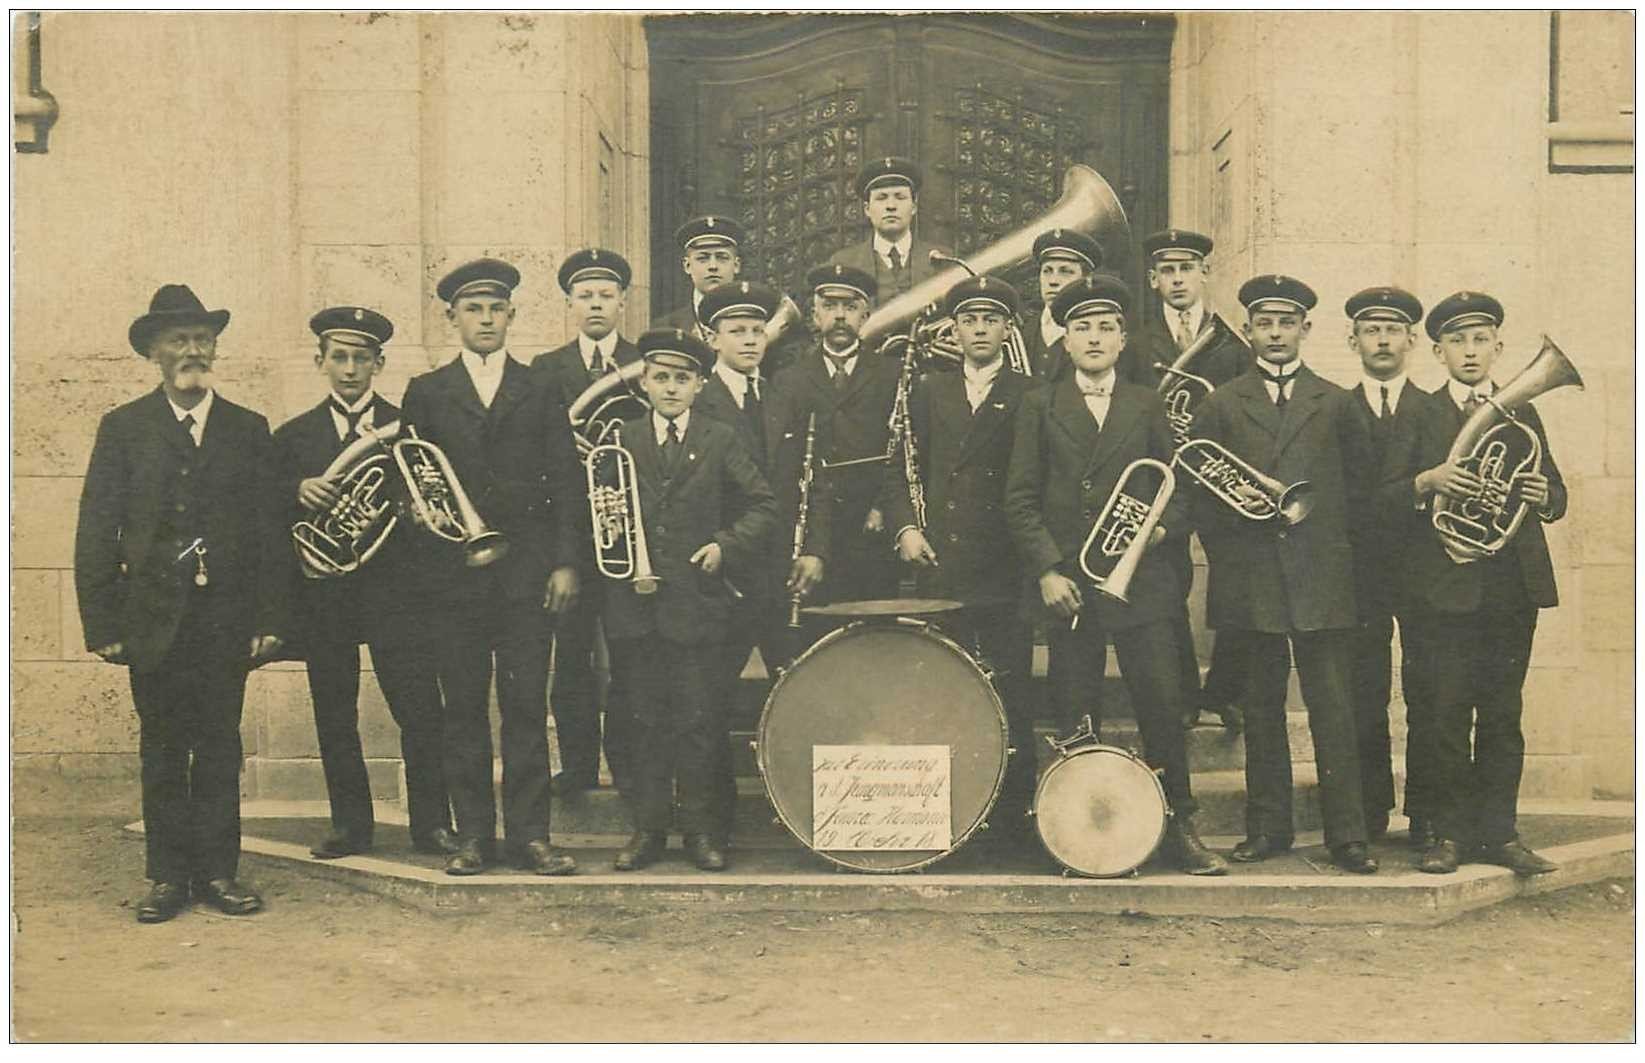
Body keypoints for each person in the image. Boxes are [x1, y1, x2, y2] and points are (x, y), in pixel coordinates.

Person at [75, 284, 290, 922]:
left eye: (202, 338)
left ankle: (219, 873)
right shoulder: (124, 429)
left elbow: (269, 533)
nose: (192, 350)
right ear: (155, 352)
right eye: (178, 340)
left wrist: (271, 619)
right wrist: (103, 624)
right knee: (164, 744)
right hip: (152, 621)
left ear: (215, 348)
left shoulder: (248, 429)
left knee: (221, 744)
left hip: (225, 621)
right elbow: (96, 530)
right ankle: (168, 877)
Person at [1003, 275, 1227, 876]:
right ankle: (1077, 832)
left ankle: (1182, 825)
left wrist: (1158, 530)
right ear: (1066, 341)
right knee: (1076, 709)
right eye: (1082, 328)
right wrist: (1048, 570)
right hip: (1071, 585)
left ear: (1124, 339)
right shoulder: (1038, 405)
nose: (1095, 338)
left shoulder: (1145, 402)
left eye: (1106, 328)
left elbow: (1177, 484)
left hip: (1141, 583)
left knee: (1160, 702)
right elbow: (1019, 498)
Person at [400, 257, 586, 877]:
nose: (485, 319)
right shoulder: (427, 392)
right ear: (452, 318)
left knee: (528, 706)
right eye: (472, 309)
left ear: (512, 316)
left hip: (527, 577)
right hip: (453, 580)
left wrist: (564, 564)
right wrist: (429, 530)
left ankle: (531, 837)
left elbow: (566, 481)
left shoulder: (541, 386)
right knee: (463, 711)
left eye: (495, 309)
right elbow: (414, 482)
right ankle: (475, 836)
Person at [1188, 273, 1378, 874]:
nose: (1275, 333)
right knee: (1262, 710)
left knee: (1333, 709)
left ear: (1306, 330)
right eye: (1264, 323)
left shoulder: (1338, 401)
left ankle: (1347, 835)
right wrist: (1236, 556)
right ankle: (1267, 829)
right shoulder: (1220, 402)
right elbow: (1204, 496)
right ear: (1246, 332)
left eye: (1286, 323)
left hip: (1322, 578)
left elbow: (1361, 495)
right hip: (1253, 578)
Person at [1393, 291, 1565, 876]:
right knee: (1444, 714)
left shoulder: (1523, 412)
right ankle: (1448, 833)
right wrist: (1428, 480)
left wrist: (1545, 497)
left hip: (1510, 590)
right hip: (1444, 588)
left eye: (1480, 340)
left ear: (1498, 347)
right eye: (1457, 341)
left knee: (1501, 715)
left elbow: (1554, 492)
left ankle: (1501, 833)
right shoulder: (1418, 412)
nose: (1470, 351)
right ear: (1438, 351)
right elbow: (1389, 494)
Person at [275, 306, 456, 860]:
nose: (350, 369)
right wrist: (295, 490)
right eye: (340, 357)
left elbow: (435, 497)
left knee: (420, 709)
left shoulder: (408, 427)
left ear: (380, 363)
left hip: (397, 592)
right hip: (326, 593)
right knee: (334, 710)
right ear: (320, 362)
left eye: (361, 358)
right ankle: (350, 826)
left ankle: (432, 825)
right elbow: (263, 509)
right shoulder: (293, 436)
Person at [603, 328, 777, 872]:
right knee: (644, 722)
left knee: (699, 723)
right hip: (635, 606)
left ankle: (704, 832)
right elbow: (604, 514)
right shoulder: (623, 438)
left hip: (698, 605)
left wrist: (724, 546)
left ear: (700, 384)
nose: (671, 388)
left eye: (682, 378)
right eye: (661, 378)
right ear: (644, 383)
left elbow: (763, 506)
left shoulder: (720, 437)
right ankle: (648, 830)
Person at [888, 276, 1037, 846]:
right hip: (941, 562)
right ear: (954, 329)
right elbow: (900, 464)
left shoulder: (1031, 392)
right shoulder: (929, 390)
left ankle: (1012, 816)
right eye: (969, 320)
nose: (979, 329)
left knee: (1010, 687)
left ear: (1007, 329)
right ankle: (945, 814)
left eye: (991, 320)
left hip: (1003, 564)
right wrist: (905, 526)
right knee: (944, 686)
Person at [692, 279, 831, 849]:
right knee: (709, 711)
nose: (750, 341)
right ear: (711, 337)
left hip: (782, 579)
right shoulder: (696, 400)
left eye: (757, 330)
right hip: (719, 582)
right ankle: (710, 832)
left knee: (801, 700)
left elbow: (814, 477)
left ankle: (813, 822)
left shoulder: (783, 394)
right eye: (736, 331)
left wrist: (814, 548)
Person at [1130, 228, 1255, 733]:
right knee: (1168, 584)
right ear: (1153, 279)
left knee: (1236, 581)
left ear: (1205, 274)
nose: (1177, 279)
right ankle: (1182, 692)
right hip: (1165, 479)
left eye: (1186, 269)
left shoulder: (1231, 343)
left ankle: (1225, 691)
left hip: (1217, 478)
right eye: (1167, 271)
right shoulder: (1137, 343)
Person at [530, 248, 642, 796]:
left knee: (628, 654)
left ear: (623, 302)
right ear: (570, 303)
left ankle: (625, 767)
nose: (595, 304)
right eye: (585, 296)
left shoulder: (646, 361)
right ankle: (576, 767)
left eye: (605, 295)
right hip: (570, 532)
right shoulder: (545, 370)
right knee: (570, 655)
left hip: (628, 532)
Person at [1339, 286, 1433, 843]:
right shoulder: (1334, 407)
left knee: (1428, 694)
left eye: (1392, 330)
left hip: (1426, 573)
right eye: (1371, 330)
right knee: (1362, 694)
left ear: (1411, 341)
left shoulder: (1436, 407)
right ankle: (1369, 815)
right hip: (1358, 575)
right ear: (1353, 341)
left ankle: (1425, 817)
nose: (1382, 339)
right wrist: (1413, 491)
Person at [768, 263, 901, 604]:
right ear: (814, 315)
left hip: (873, 532)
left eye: (851, 307)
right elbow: (784, 464)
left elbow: (904, 450)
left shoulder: (893, 375)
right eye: (830, 306)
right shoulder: (789, 380)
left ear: (866, 315)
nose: (840, 316)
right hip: (811, 538)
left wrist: (884, 508)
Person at [827, 156, 951, 300]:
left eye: (900, 197)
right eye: (881, 198)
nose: (891, 206)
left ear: (914, 206)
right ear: (867, 209)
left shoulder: (944, 262)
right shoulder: (845, 263)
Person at [1022, 227, 1102, 385]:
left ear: (1085, 280)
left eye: (1065, 271)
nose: (1053, 280)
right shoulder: (1023, 330)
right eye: (1047, 271)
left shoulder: (1101, 334)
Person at [661, 215, 748, 337]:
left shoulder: (759, 325)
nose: (713, 266)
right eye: (703, 258)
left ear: (736, 265)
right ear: (687, 266)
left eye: (722, 257)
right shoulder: (665, 328)